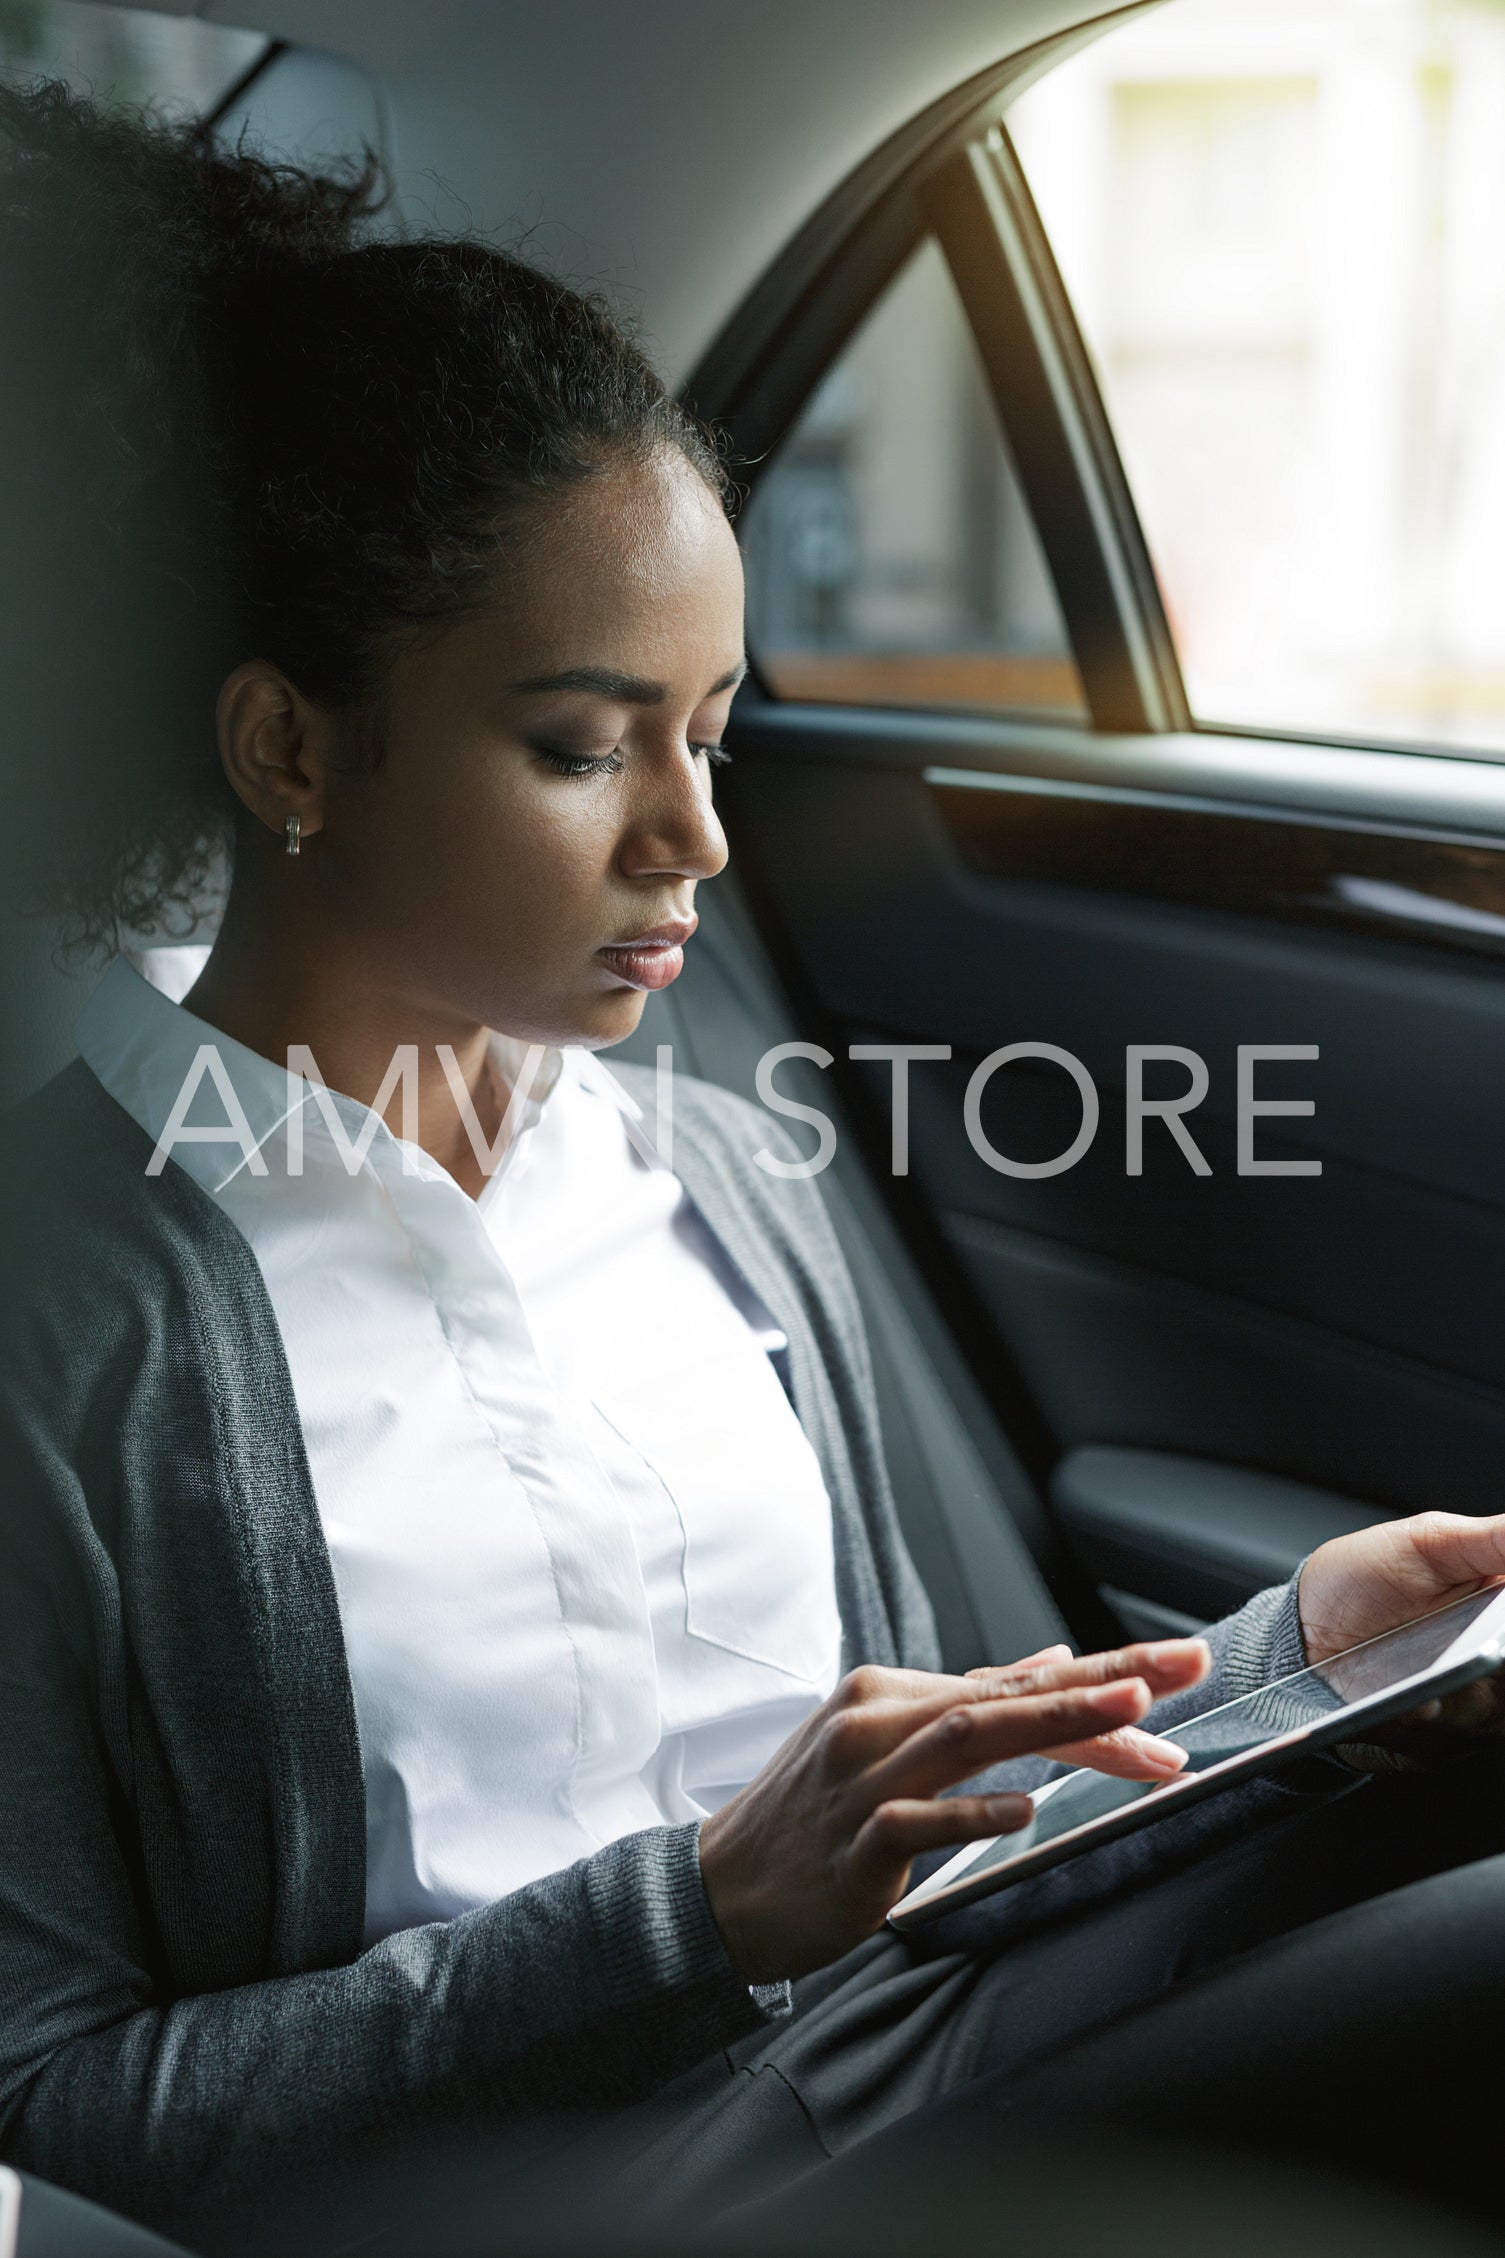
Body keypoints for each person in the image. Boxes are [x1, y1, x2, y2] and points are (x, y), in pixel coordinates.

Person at [2, 78, 1504, 2255]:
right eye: (581, 746)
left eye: (708, 735)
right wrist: (684, 1921)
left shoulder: (718, 1171)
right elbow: (51, 2108)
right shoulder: (57, 1322)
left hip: (921, 2056)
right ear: (290, 746)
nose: (694, 838)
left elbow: (931, 1788)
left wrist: (1298, 1667)